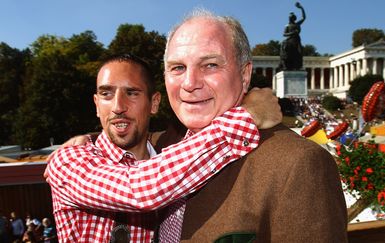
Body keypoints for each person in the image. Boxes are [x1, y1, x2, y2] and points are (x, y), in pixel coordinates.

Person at [45, 54, 281, 242]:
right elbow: (141, 188)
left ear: (154, 103)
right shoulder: (67, 161)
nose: (117, 106)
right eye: (106, 94)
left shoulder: (168, 155)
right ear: (97, 105)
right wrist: (247, 116)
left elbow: (160, 166)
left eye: (132, 93)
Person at [159, 9, 347, 242]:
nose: (189, 83)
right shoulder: (159, 146)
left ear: (245, 74)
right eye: (177, 67)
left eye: (210, 65)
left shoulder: (300, 163)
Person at [279, 2, 306, 71]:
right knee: (285, 48)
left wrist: (301, 8)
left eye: (292, 18)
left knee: (299, 52)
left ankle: (297, 66)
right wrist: (292, 33)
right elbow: (284, 34)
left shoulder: (297, 24)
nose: (290, 19)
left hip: (297, 40)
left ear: (294, 18)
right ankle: (285, 65)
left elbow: (304, 18)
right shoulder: (287, 26)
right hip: (290, 40)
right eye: (290, 18)